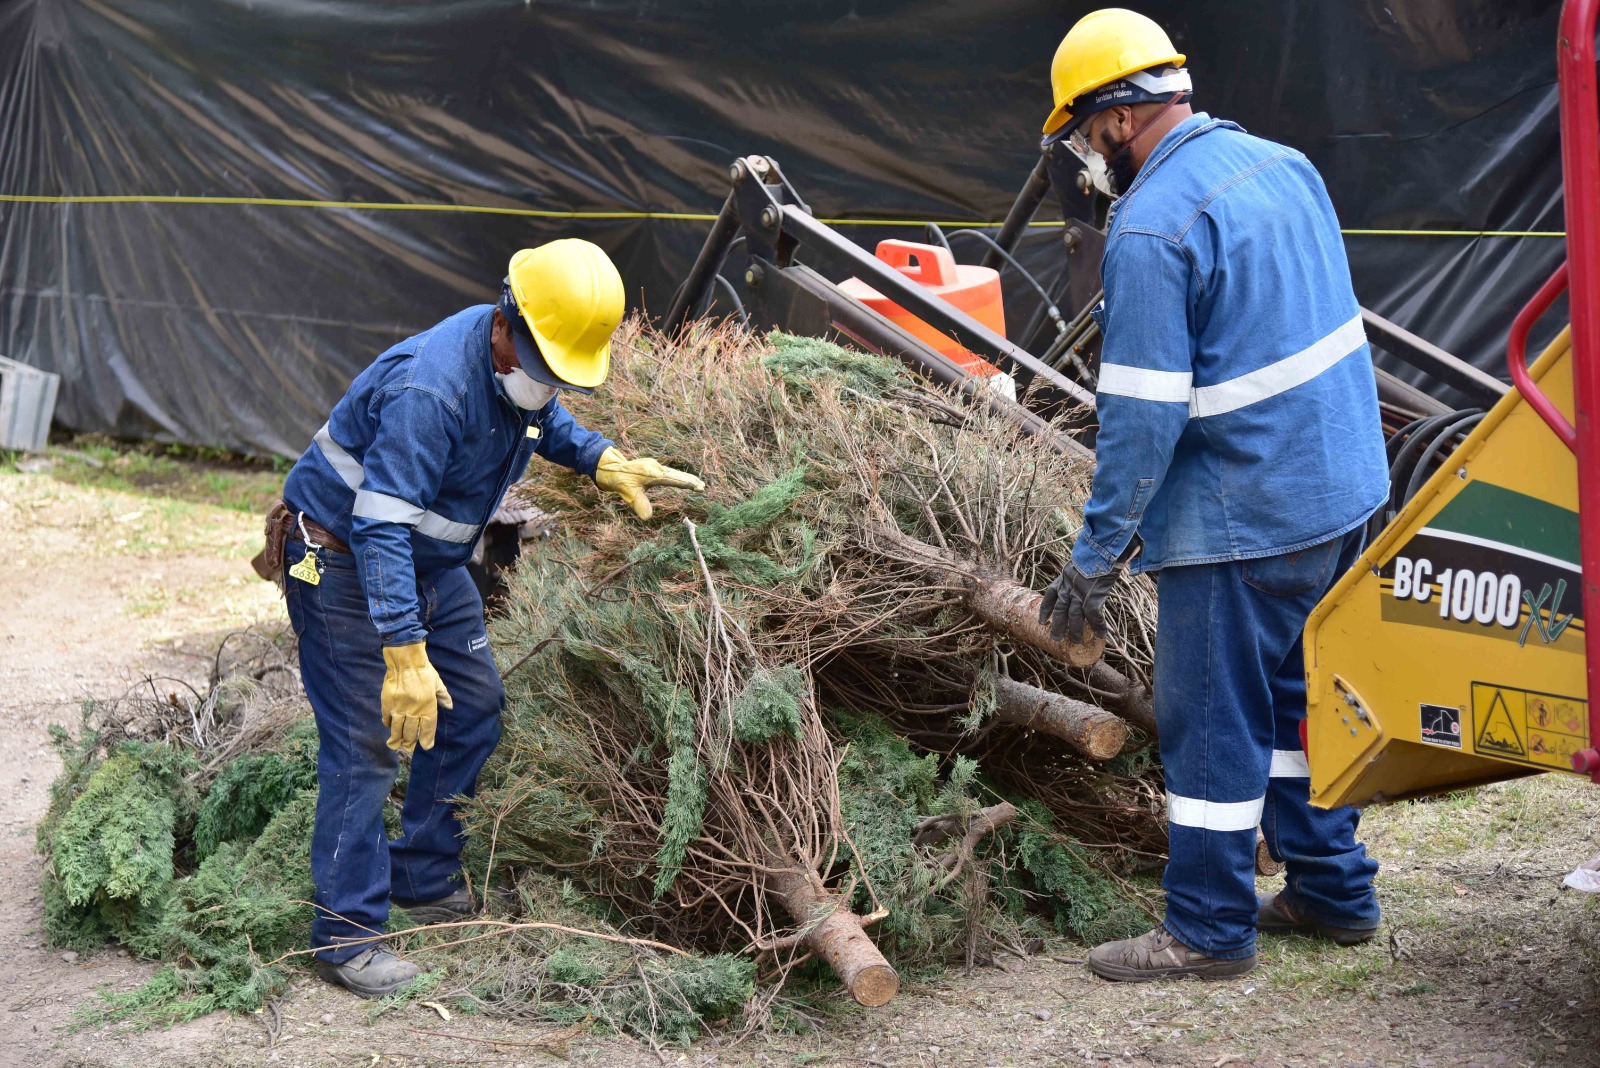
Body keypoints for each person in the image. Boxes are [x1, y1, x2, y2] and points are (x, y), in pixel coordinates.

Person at [1034, 8, 1388, 980]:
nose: (1084, 161)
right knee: (1292, 707)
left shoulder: (1150, 229)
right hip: (1343, 494)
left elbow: (1142, 421)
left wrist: (1095, 557)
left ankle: (1204, 931)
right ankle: (1331, 890)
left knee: (1211, 728)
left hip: (1243, 522)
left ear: (1113, 121)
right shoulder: (1283, 166)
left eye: (1079, 137)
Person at [267, 239, 705, 998]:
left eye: (562, 374)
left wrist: (600, 457)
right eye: (545, 368)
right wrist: (403, 653)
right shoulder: (430, 393)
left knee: (473, 709)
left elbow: (540, 422)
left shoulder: (513, 372)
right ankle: (347, 936)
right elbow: (379, 528)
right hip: (339, 557)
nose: (549, 384)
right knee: (367, 743)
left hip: (429, 562)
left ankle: (423, 873)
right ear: (506, 326)